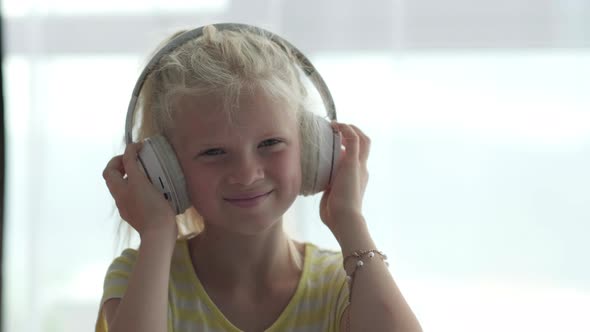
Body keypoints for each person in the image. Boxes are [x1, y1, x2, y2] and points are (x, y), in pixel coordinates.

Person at [96, 23, 422, 332]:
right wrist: (156, 232)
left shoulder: (343, 281)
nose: (247, 174)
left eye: (270, 143)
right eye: (213, 152)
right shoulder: (141, 276)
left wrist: (349, 219)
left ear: (311, 151)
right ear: (168, 171)